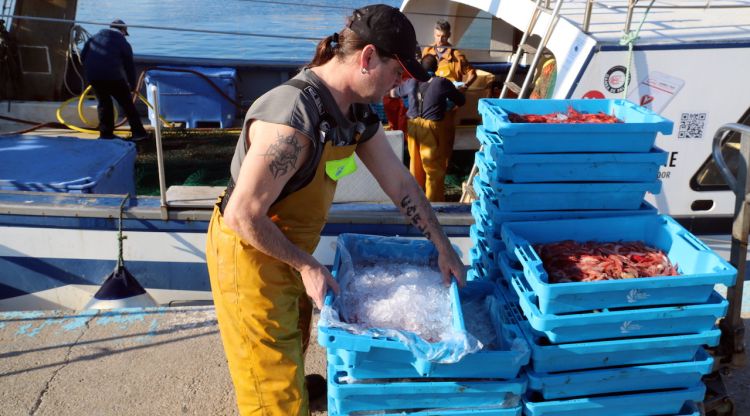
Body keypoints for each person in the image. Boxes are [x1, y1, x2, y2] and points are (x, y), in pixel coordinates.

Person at [205, 4, 466, 416]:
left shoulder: (356, 113)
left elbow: (400, 184)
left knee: (295, 340)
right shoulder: (293, 120)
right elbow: (242, 215)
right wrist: (308, 265)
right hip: (250, 257)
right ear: (367, 58)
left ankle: (294, 389)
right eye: (397, 73)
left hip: (291, 253)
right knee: (268, 384)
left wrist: (443, 247)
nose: (398, 87)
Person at [392, 54, 465, 202]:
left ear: (420, 67)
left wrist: (407, 96)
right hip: (431, 128)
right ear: (437, 68)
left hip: (412, 126)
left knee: (415, 165)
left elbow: (393, 93)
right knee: (433, 170)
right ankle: (434, 203)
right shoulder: (442, 83)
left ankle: (416, 199)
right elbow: (461, 100)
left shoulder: (411, 81)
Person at [421, 19, 476, 170]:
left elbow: (472, 74)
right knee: (428, 136)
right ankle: (428, 166)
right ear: (434, 34)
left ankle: (445, 165)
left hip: (448, 105)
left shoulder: (456, 55)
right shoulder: (427, 51)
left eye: (444, 37)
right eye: (438, 36)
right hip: (429, 102)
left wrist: (465, 86)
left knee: (446, 136)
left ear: (449, 35)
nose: (440, 40)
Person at [81, 19, 147, 141]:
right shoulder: (122, 42)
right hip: (112, 76)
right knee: (127, 104)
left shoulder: (94, 38)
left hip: (93, 76)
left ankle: (106, 135)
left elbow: (82, 56)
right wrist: (132, 86)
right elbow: (129, 66)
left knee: (104, 104)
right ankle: (139, 133)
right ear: (122, 31)